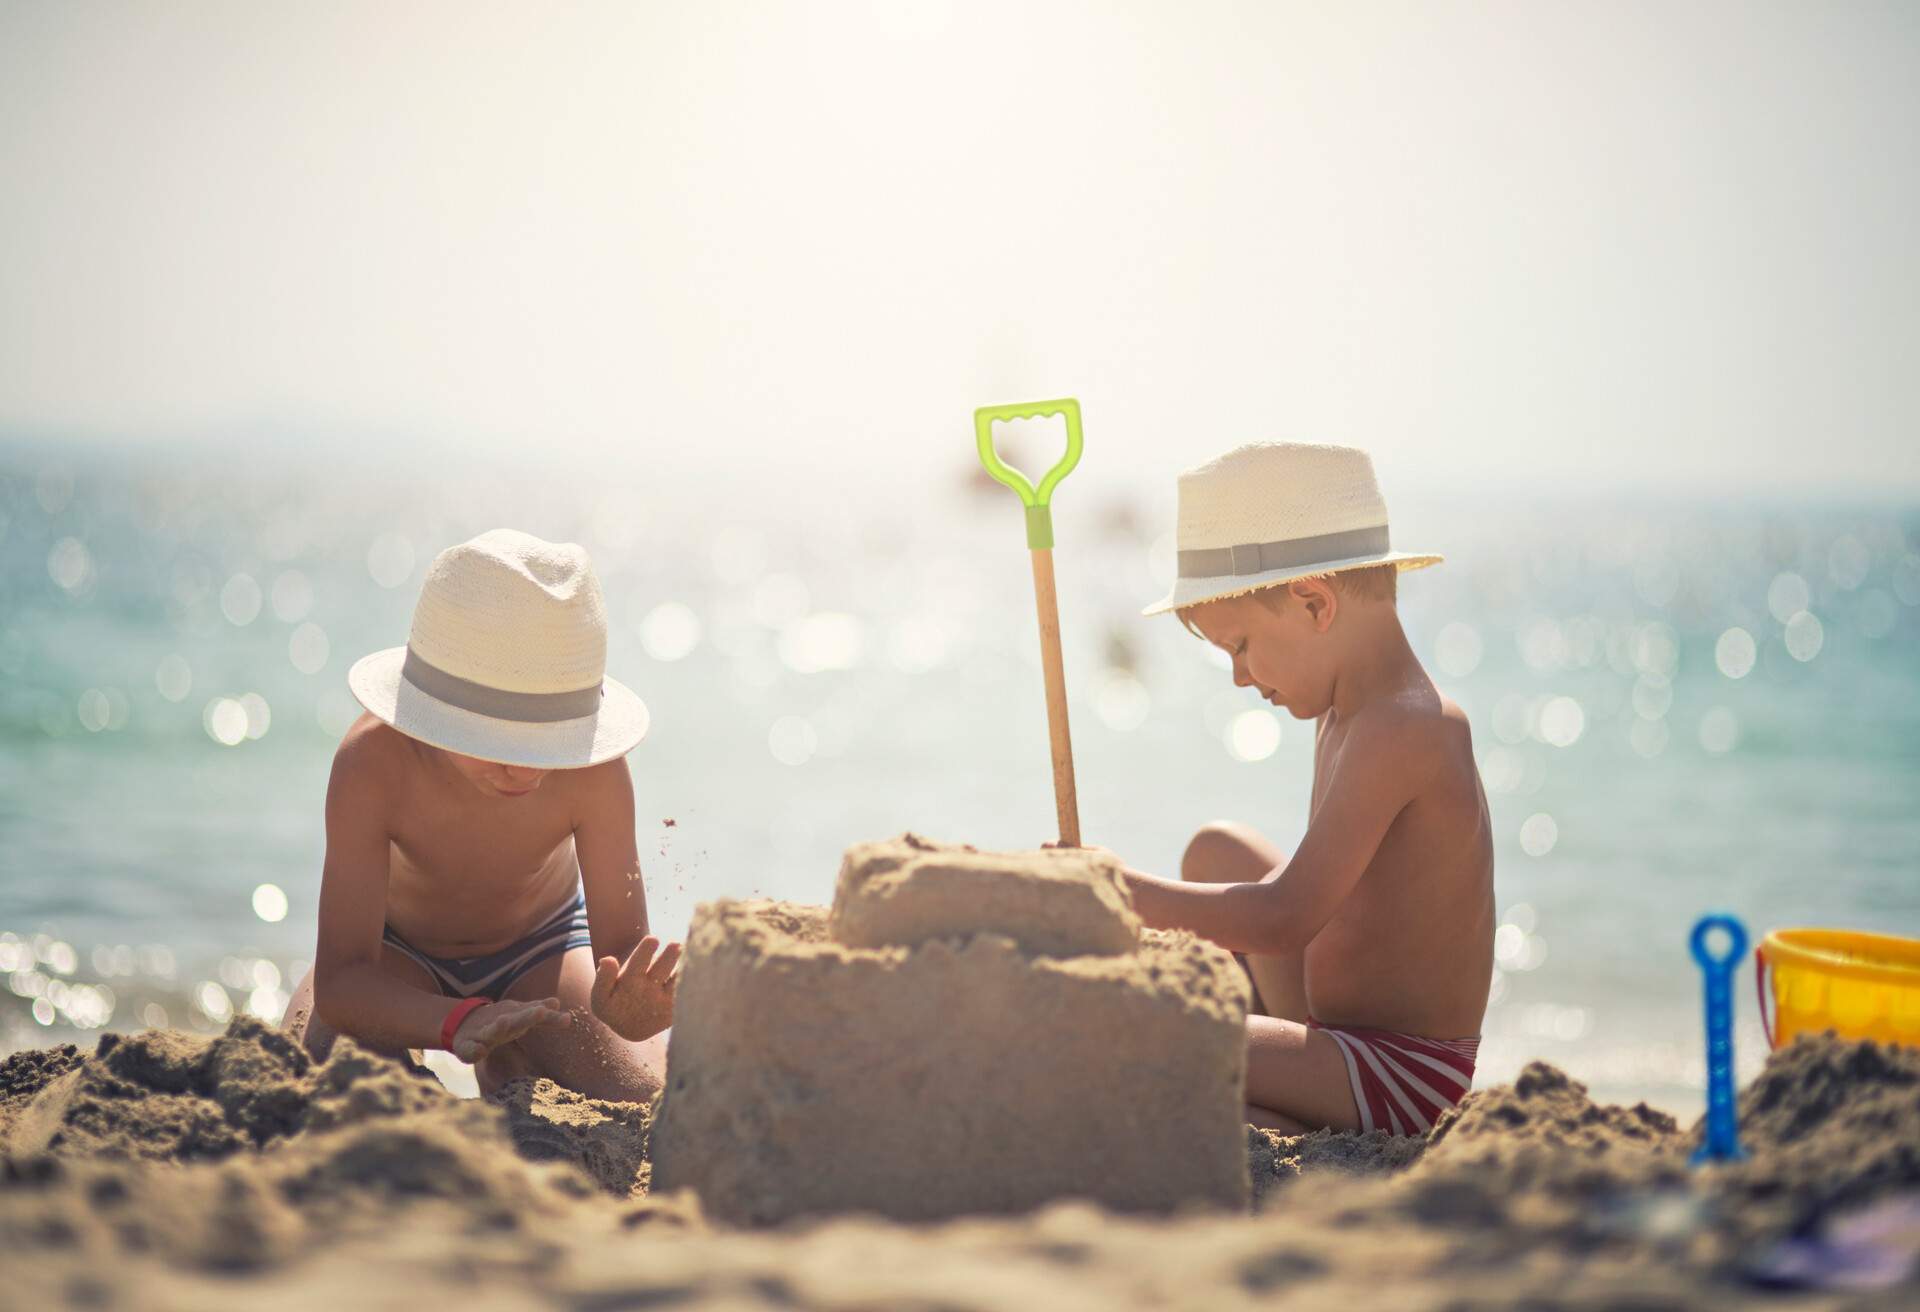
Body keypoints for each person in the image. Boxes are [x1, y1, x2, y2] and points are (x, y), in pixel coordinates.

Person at [1114, 443, 1493, 1135]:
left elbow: (1286, 917)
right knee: (1218, 851)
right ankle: (1273, 1095)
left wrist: (1111, 890)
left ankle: (1281, 1114)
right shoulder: (1344, 710)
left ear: (1314, 602)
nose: (1237, 676)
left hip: (1395, 1073)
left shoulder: (1407, 726)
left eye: (1238, 647)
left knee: (1159, 1036)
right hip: (1333, 1027)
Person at [284, 528, 679, 1100]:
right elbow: (344, 981)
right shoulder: (372, 764)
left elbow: (620, 969)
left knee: (636, 1091)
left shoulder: (596, 772)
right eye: (500, 743)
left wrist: (637, 1015)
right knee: (315, 1068)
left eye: (549, 745)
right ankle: (495, 1050)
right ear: (432, 715)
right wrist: (455, 1020)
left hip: (542, 949)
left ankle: (513, 1061)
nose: (527, 771)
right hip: (396, 956)